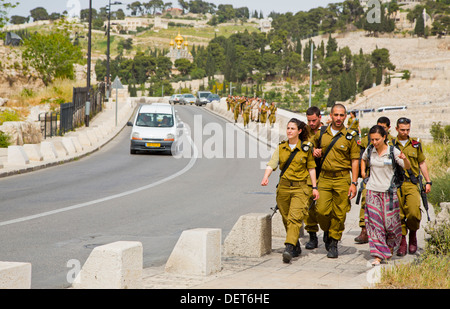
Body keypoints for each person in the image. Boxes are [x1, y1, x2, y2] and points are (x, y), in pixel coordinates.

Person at [261, 118, 319, 263]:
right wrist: (265, 177)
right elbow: (272, 163)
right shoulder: (281, 147)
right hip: (284, 187)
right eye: (288, 128)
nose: (289, 131)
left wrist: (314, 187)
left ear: (299, 131)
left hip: (301, 187)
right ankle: (296, 245)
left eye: (292, 128)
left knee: (295, 218)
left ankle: (288, 248)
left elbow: (311, 168)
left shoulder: (306, 148)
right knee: (286, 218)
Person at [312, 103, 360, 258]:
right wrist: (314, 151)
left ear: (345, 116)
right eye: (336, 115)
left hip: (342, 178)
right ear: (330, 116)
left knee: (339, 214)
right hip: (324, 178)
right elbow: (307, 147)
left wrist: (353, 183)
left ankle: (333, 242)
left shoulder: (350, 136)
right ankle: (327, 230)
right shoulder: (321, 133)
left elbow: (354, 160)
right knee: (321, 211)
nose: (338, 118)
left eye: (341, 115)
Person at [361, 125, 411, 265]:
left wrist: (404, 158)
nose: (375, 142)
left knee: (391, 224)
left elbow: (406, 167)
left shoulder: (392, 151)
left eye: (377, 139)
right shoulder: (370, 150)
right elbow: (363, 159)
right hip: (372, 191)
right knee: (375, 224)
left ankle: (389, 246)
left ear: (384, 137)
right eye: (372, 139)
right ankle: (378, 254)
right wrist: (363, 173)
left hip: (389, 193)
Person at [392, 117, 432, 256]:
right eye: (402, 129)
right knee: (399, 214)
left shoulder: (416, 144)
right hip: (396, 184)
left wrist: (428, 181)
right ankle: (402, 241)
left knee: (414, 212)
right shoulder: (391, 144)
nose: (405, 132)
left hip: (411, 183)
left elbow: (422, 163)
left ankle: (413, 234)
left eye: (407, 129)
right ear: (396, 129)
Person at [355, 116, 394, 244]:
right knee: (365, 199)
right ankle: (364, 230)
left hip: (388, 181)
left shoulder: (393, 143)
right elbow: (364, 156)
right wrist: (362, 172)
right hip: (371, 177)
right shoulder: (371, 140)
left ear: (388, 128)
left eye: (383, 127)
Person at [304, 106, 323, 250]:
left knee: (325, 208)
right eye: (309, 120)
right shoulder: (303, 132)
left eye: (314, 120)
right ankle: (312, 235)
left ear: (320, 118)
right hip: (308, 172)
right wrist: (312, 150)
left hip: (324, 172)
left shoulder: (327, 131)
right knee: (309, 206)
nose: (311, 123)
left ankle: (329, 233)